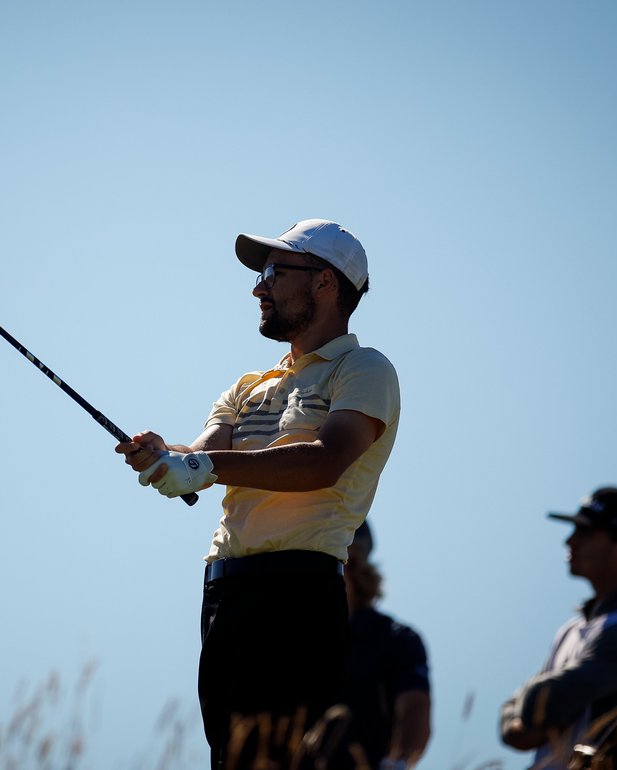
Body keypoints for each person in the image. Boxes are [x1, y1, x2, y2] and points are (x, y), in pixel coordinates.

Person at [116, 219, 401, 769]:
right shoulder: (248, 385)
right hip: (225, 593)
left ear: (324, 282)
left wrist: (198, 466)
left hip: (298, 594)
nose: (258, 287)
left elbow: (325, 462)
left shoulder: (364, 369)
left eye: (274, 271)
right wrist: (164, 457)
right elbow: (203, 456)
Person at [499, 487, 617, 770]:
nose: (570, 540)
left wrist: (534, 713)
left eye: (586, 532)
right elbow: (511, 718)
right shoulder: (575, 627)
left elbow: (535, 706)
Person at [342, 522, 431, 770]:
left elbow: (415, 708)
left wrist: (395, 764)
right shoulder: (287, 639)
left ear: (354, 561)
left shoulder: (397, 640)